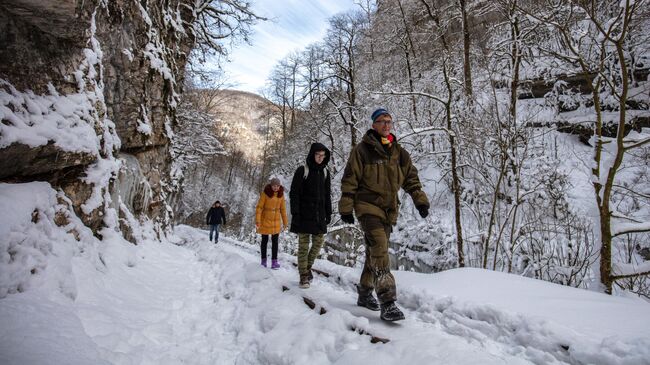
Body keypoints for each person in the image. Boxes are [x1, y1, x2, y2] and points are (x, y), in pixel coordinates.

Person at [339, 108, 430, 322]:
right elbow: (349, 180)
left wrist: (421, 201)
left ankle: (364, 291)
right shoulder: (361, 151)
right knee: (380, 248)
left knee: (374, 253)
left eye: (389, 121)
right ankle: (388, 301)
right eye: (382, 121)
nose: (386, 125)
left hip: (389, 210)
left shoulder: (399, 152)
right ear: (373, 125)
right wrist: (345, 208)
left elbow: (411, 180)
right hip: (367, 206)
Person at [290, 143, 332, 289]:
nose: (320, 158)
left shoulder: (325, 172)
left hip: (319, 216)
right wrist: (295, 212)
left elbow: (327, 195)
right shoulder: (303, 170)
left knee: (318, 243)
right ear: (312, 154)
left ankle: (307, 268)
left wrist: (329, 212)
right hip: (303, 214)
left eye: (323, 156)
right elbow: (294, 193)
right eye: (318, 155)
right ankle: (303, 276)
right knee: (303, 245)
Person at [255, 177, 288, 269]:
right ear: (271, 185)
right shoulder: (265, 193)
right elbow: (259, 207)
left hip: (276, 223)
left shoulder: (281, 195)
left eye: (277, 186)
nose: (276, 187)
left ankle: (274, 262)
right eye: (274, 185)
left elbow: (283, 209)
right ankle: (263, 261)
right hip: (265, 220)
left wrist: (285, 223)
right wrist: (258, 220)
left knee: (275, 242)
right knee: (264, 241)